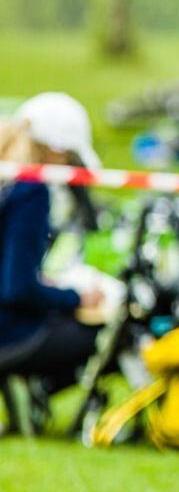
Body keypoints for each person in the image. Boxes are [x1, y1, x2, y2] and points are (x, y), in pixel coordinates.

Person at [0, 93, 105, 407]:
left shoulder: (9, 183)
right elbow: (16, 290)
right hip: (7, 333)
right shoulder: (31, 192)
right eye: (69, 157)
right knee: (97, 335)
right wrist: (74, 297)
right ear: (55, 150)